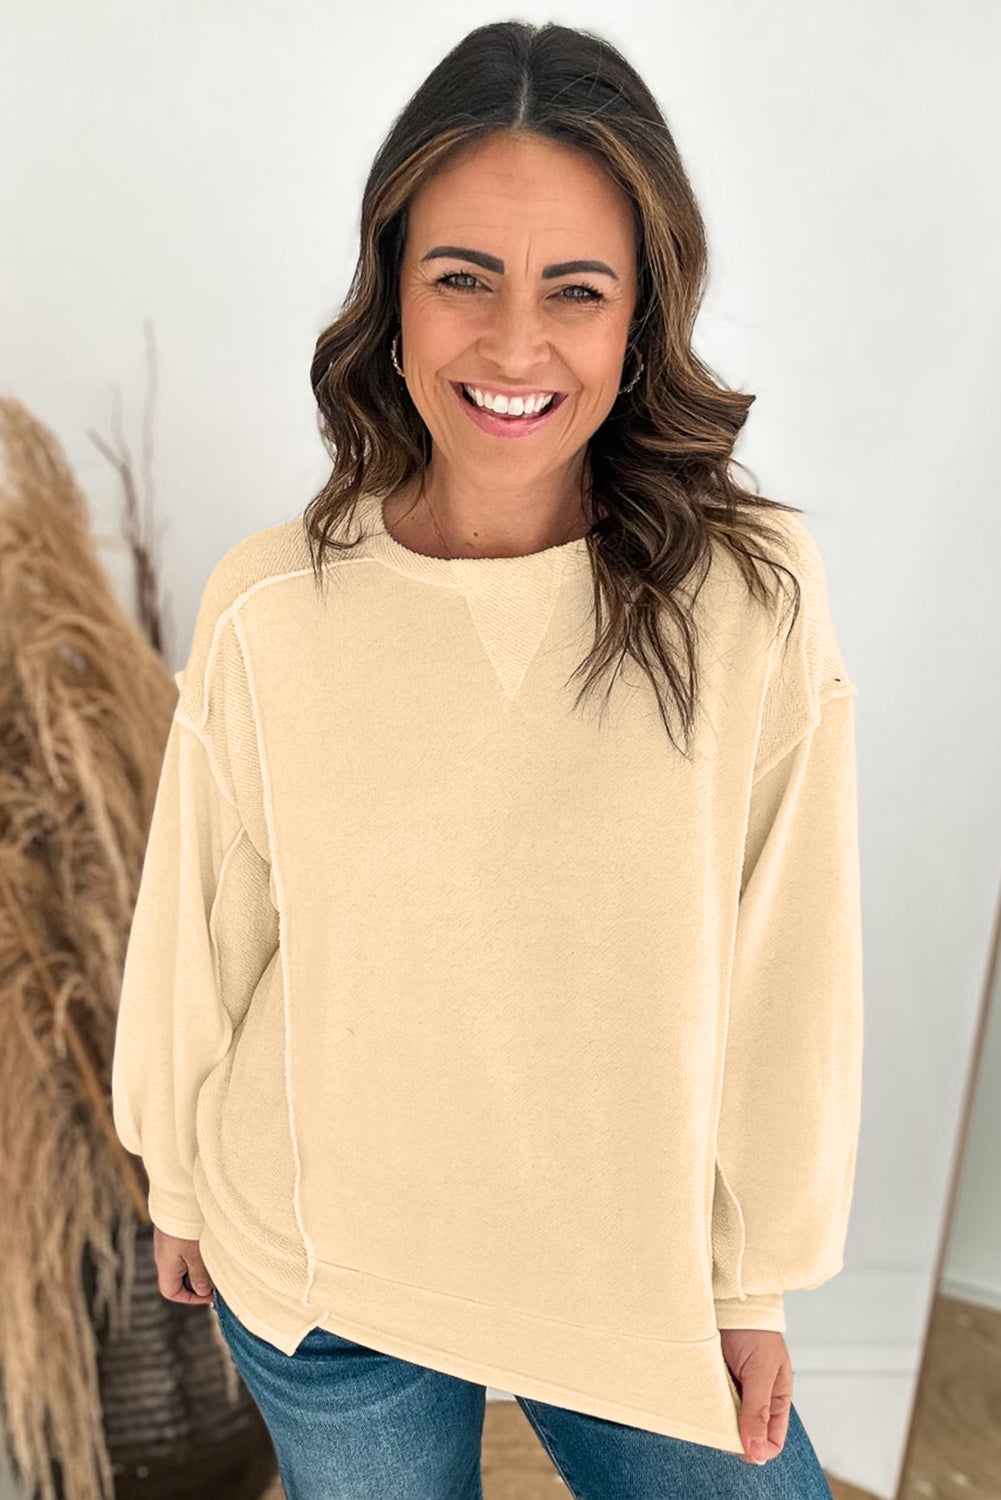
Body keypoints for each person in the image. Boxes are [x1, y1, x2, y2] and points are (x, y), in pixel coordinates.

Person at [111, 20, 862, 1499]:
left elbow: (789, 959)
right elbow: (207, 930)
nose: (515, 347)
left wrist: (745, 1278)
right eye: (464, 277)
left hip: (625, 1272)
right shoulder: (274, 606)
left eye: (573, 291)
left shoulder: (748, 597)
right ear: (391, 289)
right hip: (325, 1276)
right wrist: (184, 1186)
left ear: (639, 318)